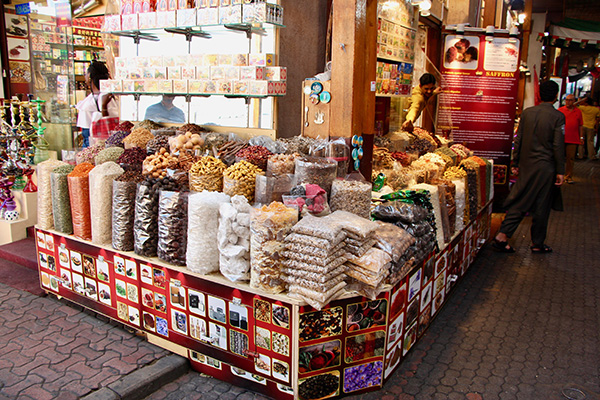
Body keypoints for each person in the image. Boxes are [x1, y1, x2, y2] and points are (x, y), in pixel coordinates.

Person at [493, 80, 565, 254]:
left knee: (522, 198)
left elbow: (518, 139)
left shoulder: (527, 113)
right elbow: (557, 145)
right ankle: (513, 237)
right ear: (556, 96)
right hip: (545, 167)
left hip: (526, 164)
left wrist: (516, 162)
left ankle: (524, 239)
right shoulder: (557, 117)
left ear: (539, 95)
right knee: (540, 204)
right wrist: (560, 171)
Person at [76, 61, 118, 147]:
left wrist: (103, 108)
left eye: (86, 74)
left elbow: (87, 134)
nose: (85, 77)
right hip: (107, 141)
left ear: (90, 76)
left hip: (94, 140)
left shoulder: (98, 99)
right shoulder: (108, 96)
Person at [558, 94, 583, 183]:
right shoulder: (560, 110)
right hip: (561, 138)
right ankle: (558, 174)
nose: (568, 102)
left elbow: (580, 125)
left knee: (570, 158)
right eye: (567, 100)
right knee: (559, 157)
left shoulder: (578, 111)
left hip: (573, 138)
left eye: (570, 100)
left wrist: (581, 137)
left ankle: (568, 176)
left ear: (574, 101)